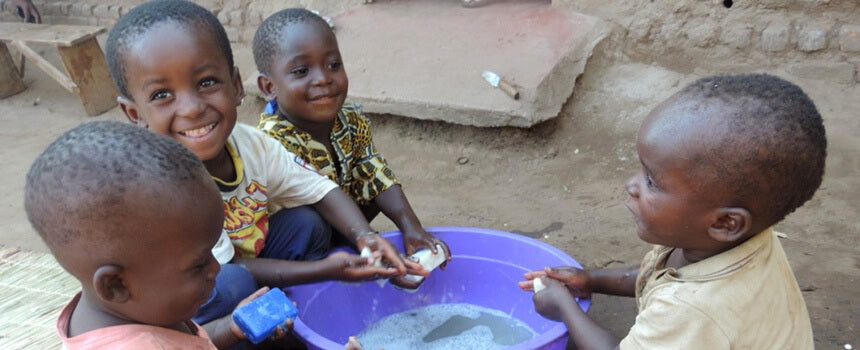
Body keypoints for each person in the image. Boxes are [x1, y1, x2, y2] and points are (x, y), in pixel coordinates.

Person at [104, 0, 424, 339]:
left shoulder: (251, 143)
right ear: (134, 113)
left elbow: (317, 187)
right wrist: (323, 270)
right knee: (234, 282)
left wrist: (366, 237)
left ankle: (288, 313)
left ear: (237, 85)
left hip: (244, 264)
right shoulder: (163, 187)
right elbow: (227, 267)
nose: (193, 108)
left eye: (207, 82)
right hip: (189, 301)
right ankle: (235, 336)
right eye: (162, 94)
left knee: (306, 224)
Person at [519, 74, 822, 349]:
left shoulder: (691, 310)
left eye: (651, 180)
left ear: (726, 222)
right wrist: (591, 279)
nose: (631, 184)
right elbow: (653, 274)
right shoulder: (723, 241)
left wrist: (564, 309)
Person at [24, 121, 278, 349]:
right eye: (199, 265)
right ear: (116, 285)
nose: (215, 268)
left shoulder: (133, 307)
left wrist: (230, 328)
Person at [253, 8, 450, 289]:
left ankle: (356, 251)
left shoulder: (350, 120)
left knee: (371, 186)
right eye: (301, 71)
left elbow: (374, 171)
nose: (323, 78)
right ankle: (308, 291)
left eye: (333, 65)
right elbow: (313, 200)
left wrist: (411, 226)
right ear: (269, 86)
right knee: (307, 222)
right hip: (291, 247)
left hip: (346, 228)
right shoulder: (271, 143)